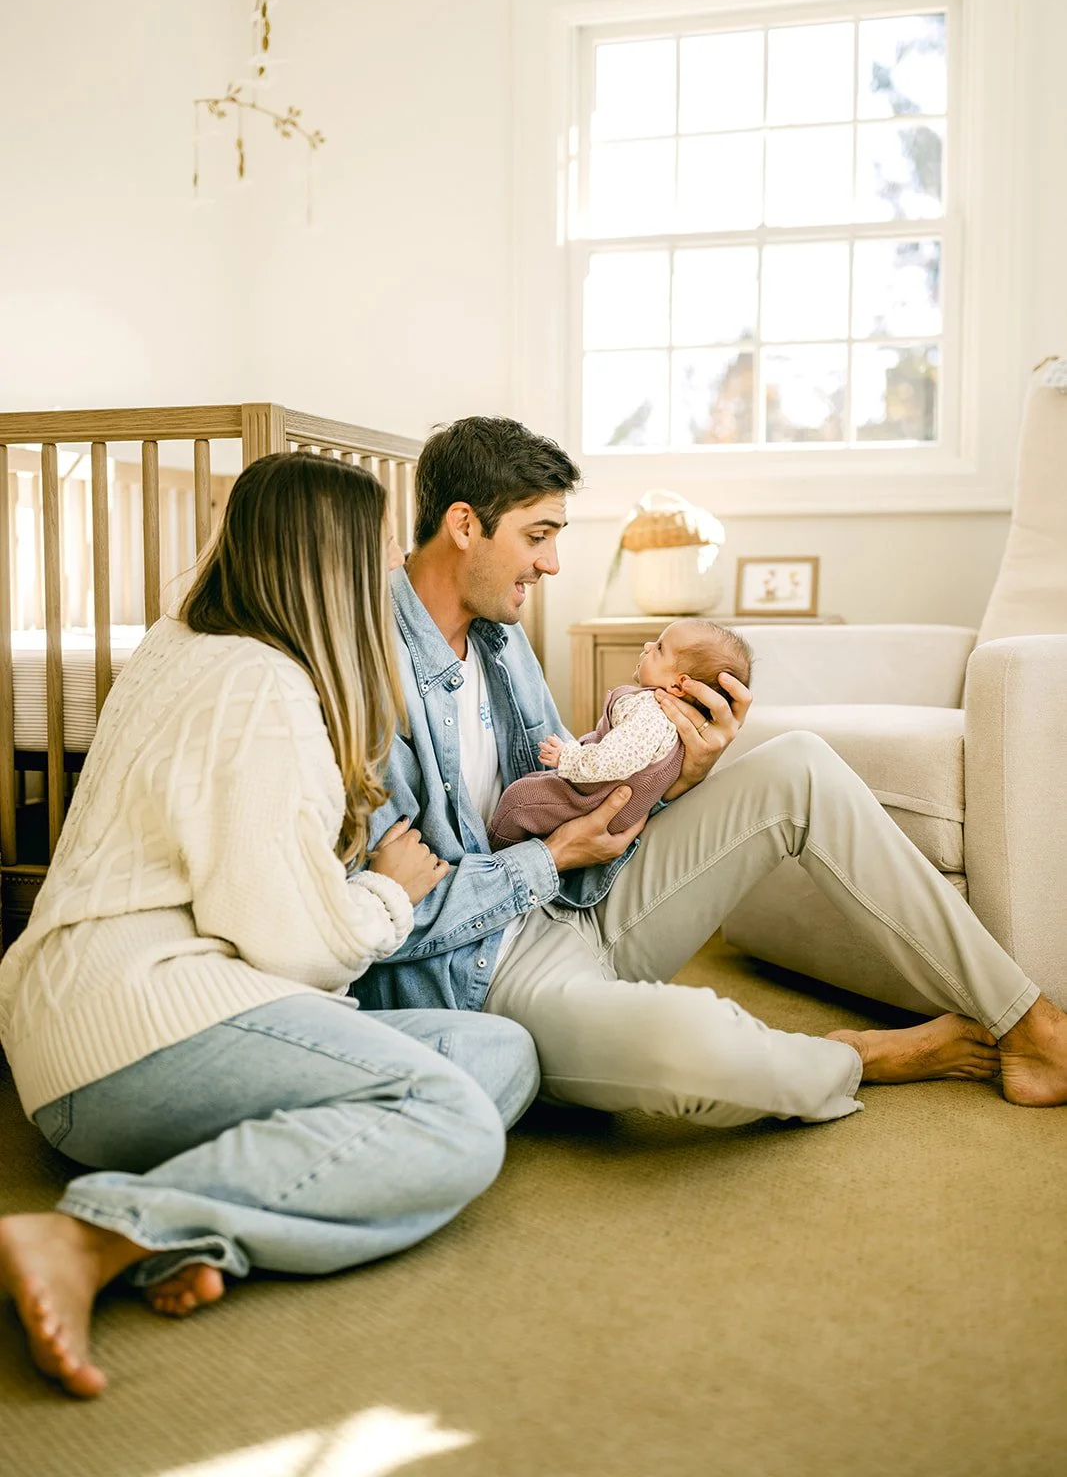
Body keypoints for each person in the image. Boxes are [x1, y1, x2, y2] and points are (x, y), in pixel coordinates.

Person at [0, 452, 539, 1399]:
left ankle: (199, 1224)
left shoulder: (179, 646)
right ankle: (91, 1232)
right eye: (370, 553)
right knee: (453, 1120)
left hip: (98, 1029)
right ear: (329, 565)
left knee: (500, 1052)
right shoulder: (262, 686)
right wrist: (389, 891)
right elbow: (286, 942)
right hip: (137, 1027)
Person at [352, 414, 1067, 1127]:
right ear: (463, 524)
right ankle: (857, 1057)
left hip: (584, 896)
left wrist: (681, 780)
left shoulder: (501, 641)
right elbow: (391, 919)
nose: (551, 565)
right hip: (489, 970)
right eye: (537, 537)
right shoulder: (365, 670)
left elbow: (573, 800)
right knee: (690, 1046)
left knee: (800, 765)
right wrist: (549, 857)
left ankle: (1027, 1024)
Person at [487, 620, 752, 849]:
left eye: (659, 648)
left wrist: (567, 756)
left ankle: (496, 858)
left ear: (679, 684)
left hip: (595, 800)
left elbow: (613, 759)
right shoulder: (671, 719)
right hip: (610, 802)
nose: (648, 646)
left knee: (519, 799)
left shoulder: (650, 713)